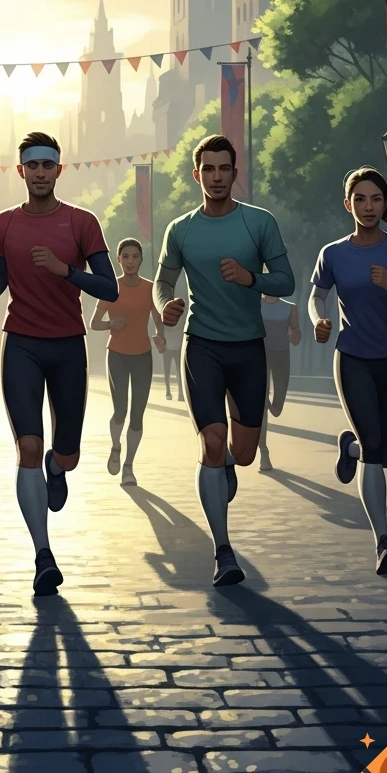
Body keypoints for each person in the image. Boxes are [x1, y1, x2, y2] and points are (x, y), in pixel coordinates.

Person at [0, 131, 119, 596]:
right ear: (20, 171)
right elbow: (0, 275)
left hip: (69, 346)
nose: (38, 173)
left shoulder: (82, 222)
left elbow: (109, 288)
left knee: (64, 455)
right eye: (30, 165)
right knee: (27, 448)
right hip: (23, 346)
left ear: (58, 170)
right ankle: (43, 556)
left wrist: (65, 271)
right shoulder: (3, 223)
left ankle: (59, 465)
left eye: (46, 165)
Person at [154, 135, 295, 588]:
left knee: (243, 453)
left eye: (224, 169)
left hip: (249, 348)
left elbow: (287, 280)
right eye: (208, 170)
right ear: (197, 175)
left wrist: (250, 277)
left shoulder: (260, 222)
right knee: (212, 443)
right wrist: (164, 306)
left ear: (236, 174)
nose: (216, 177)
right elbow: (163, 280)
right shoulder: (181, 229)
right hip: (203, 346)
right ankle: (223, 551)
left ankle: (230, 466)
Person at [309, 167, 387, 575]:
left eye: (376, 199)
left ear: (385, 203)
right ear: (348, 205)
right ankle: (382, 540)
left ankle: (349, 448)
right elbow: (317, 295)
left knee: (381, 452)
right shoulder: (333, 253)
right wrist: (319, 320)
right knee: (375, 451)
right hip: (353, 357)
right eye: (360, 199)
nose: (368, 206)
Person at [91, 237, 163, 486]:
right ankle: (115, 446)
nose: (130, 261)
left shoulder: (150, 288)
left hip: (142, 355)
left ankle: (129, 466)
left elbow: (158, 317)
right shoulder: (111, 288)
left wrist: (160, 336)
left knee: (137, 414)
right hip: (118, 355)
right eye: (126, 257)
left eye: (135, 256)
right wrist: (110, 324)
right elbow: (94, 323)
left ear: (141, 260)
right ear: (118, 260)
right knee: (120, 409)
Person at [257, 294, 301, 472]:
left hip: (282, 356)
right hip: (260, 355)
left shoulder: (290, 307)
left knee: (277, 408)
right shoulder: (254, 303)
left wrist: (293, 335)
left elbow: (297, 337)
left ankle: (265, 401)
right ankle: (264, 453)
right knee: (262, 407)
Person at [159, 315, 184, 401]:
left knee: (179, 372)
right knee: (168, 371)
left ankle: (180, 394)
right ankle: (168, 392)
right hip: (168, 347)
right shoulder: (165, 314)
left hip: (178, 347)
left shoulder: (181, 315)